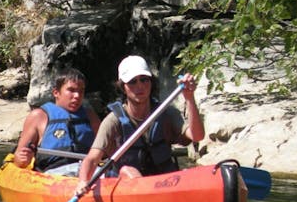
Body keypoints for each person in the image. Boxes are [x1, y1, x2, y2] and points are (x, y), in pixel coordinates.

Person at [76, 55, 204, 194]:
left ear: (151, 82)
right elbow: (92, 158)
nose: (140, 86)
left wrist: (189, 99)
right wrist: (83, 181)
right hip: (127, 189)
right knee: (128, 171)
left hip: (164, 183)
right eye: (132, 82)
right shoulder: (113, 121)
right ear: (123, 87)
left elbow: (197, 136)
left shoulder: (166, 113)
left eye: (144, 80)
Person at [13, 68, 100, 171]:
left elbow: (107, 150)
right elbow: (19, 158)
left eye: (81, 91)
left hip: (87, 170)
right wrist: (22, 158)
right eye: (71, 90)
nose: (77, 96)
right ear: (56, 93)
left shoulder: (90, 116)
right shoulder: (38, 116)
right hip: (53, 172)